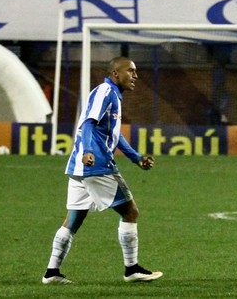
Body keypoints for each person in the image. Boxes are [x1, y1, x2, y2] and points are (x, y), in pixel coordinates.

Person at [42, 56, 162, 285]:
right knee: (130, 212)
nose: (135, 76)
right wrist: (88, 149)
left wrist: (136, 157)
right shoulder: (105, 92)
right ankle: (132, 269)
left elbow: (113, 135)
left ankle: (51, 273)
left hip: (80, 167)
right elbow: (88, 123)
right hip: (96, 165)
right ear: (116, 73)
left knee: (73, 220)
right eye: (131, 71)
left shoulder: (114, 95)